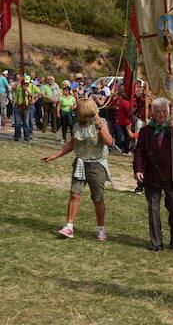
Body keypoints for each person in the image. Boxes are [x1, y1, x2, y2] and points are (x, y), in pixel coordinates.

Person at [41, 98, 113, 241]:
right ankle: (69, 227)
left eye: (78, 109)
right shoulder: (77, 126)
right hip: (80, 163)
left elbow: (109, 142)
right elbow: (71, 145)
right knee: (74, 195)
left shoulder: (101, 123)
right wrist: (54, 156)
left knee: (98, 198)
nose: (76, 111)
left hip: (96, 165)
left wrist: (100, 128)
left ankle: (101, 229)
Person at [133, 97, 173, 251]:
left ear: (169, 112)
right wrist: (138, 169)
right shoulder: (146, 130)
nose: (162, 114)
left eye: (164, 111)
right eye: (158, 112)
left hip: (172, 176)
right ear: (153, 113)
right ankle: (156, 242)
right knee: (153, 209)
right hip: (152, 176)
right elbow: (139, 152)